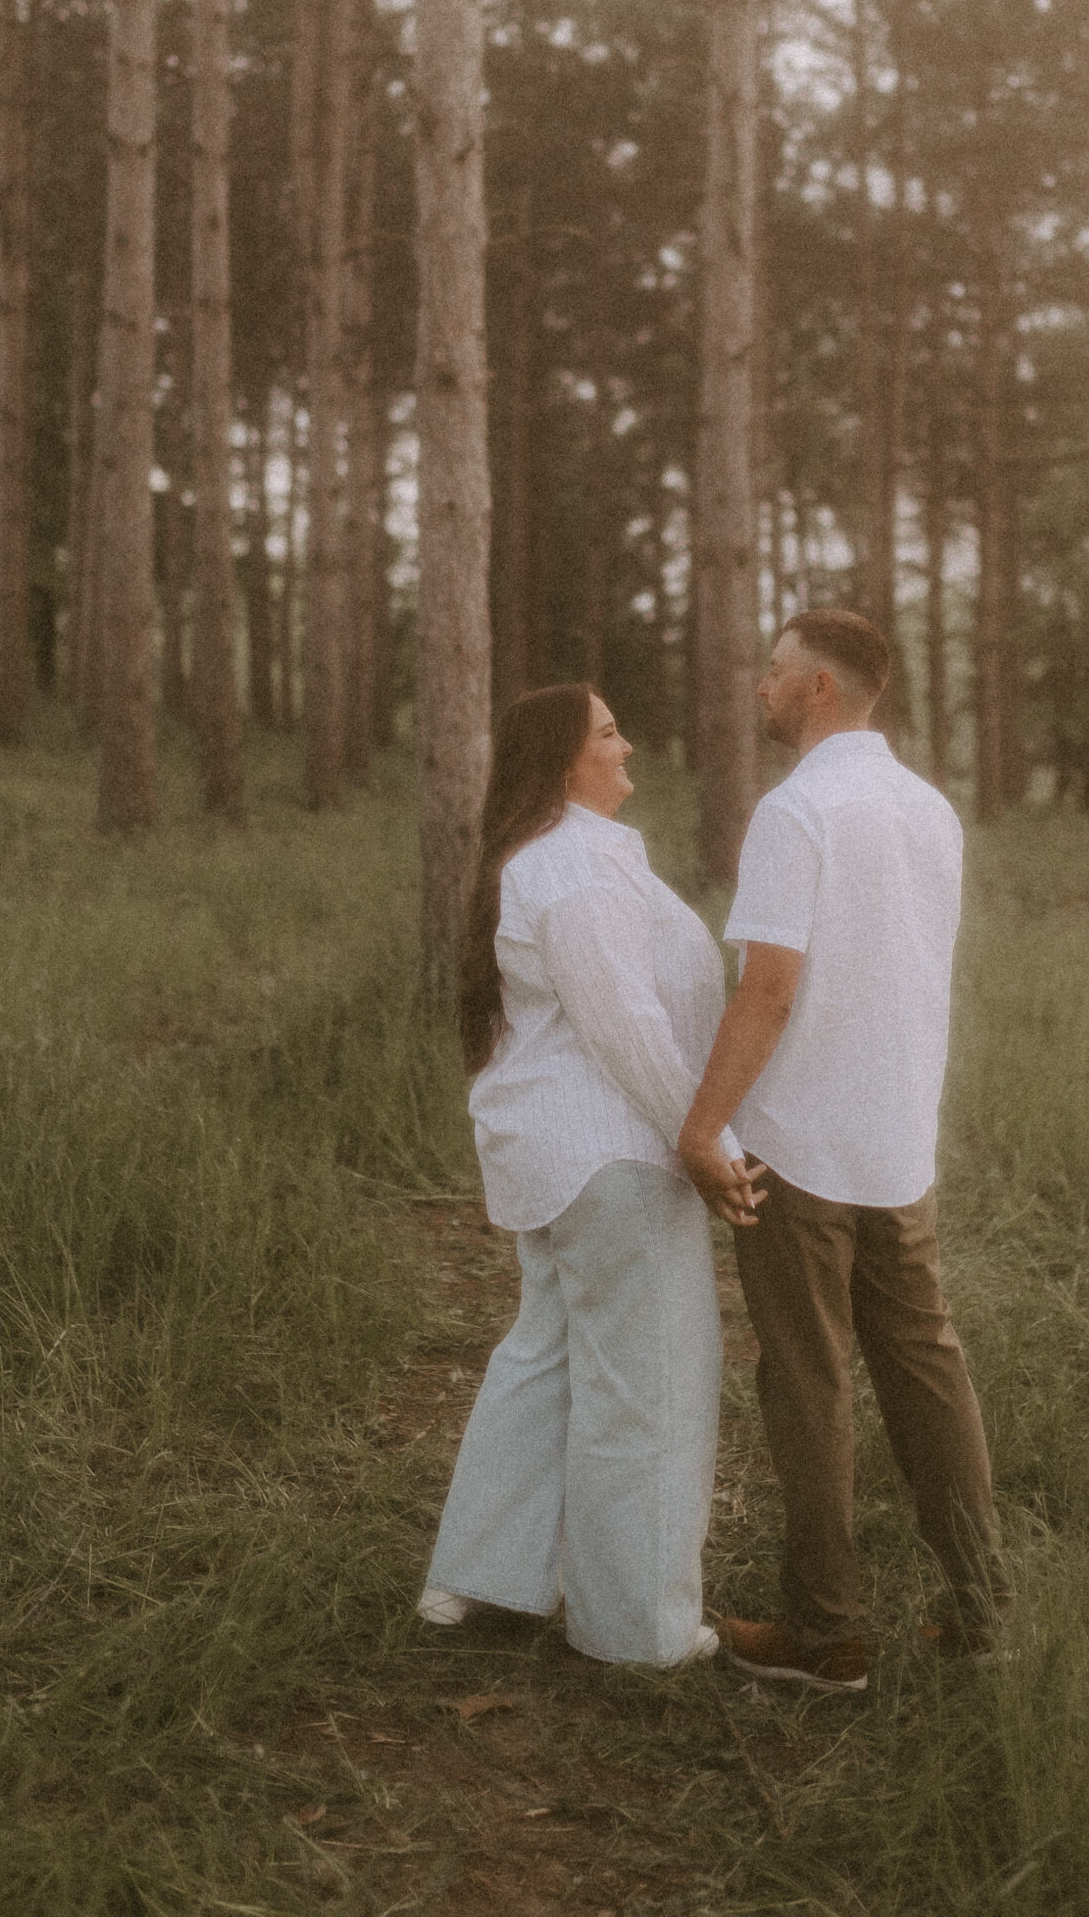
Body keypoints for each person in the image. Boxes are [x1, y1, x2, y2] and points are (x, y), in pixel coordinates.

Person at [677, 610, 1010, 1694]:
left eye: (772, 672)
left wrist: (701, 1125)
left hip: (801, 1145)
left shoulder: (798, 810)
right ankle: (984, 1610)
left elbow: (768, 988)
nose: (759, 687)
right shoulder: (930, 811)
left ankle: (829, 1634)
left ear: (820, 687)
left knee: (808, 1378)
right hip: (896, 1139)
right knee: (927, 1368)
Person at [418, 683, 740, 1668]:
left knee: (549, 1352)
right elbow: (624, 1023)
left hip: (564, 1158)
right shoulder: (576, 865)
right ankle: (639, 1631)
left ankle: (478, 1578)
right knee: (648, 1384)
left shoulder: (557, 857)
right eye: (608, 730)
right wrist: (704, 1138)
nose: (627, 739)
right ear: (565, 760)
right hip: (612, 1154)